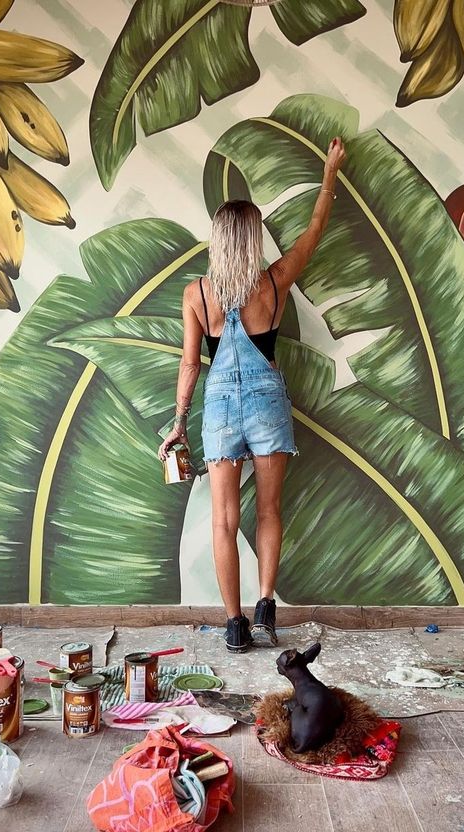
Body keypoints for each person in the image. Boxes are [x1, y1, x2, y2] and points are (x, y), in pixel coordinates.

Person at [158, 137, 347, 652]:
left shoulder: (196, 293)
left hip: (218, 409)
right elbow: (314, 231)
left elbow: (189, 363)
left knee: (223, 518)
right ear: (253, 237)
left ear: (219, 239)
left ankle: (235, 623)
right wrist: (329, 173)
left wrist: (178, 422)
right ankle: (266, 602)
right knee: (269, 509)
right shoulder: (274, 281)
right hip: (267, 405)